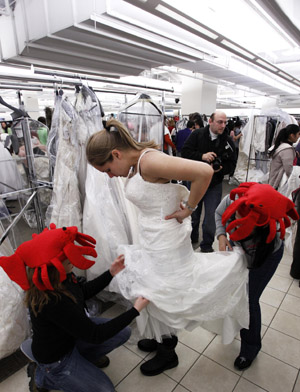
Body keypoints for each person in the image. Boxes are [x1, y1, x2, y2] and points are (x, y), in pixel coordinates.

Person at [86, 118, 250, 377]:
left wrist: (189, 209)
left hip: (166, 241)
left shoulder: (148, 161)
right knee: (154, 288)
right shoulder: (136, 164)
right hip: (153, 236)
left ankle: (168, 351)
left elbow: (204, 172)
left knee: (163, 291)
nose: (109, 176)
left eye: (107, 169)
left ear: (116, 154)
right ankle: (159, 338)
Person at [0, 224, 149, 392]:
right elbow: (96, 335)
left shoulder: (62, 278)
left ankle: (83, 358)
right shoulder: (53, 301)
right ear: (53, 267)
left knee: (123, 333)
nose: (73, 258)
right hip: (56, 359)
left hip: (70, 337)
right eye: (68, 258)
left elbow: (82, 292)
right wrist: (135, 310)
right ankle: (42, 376)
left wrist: (111, 273)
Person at [215, 182, 298, 370]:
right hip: (240, 250)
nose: (235, 221)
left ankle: (251, 347)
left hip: (265, 254)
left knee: (250, 299)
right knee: (235, 290)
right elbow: (219, 213)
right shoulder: (234, 199)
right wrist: (221, 235)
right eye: (235, 216)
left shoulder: (272, 225)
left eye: (242, 223)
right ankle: (234, 325)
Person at [182, 110, 236, 251]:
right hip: (194, 182)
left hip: (214, 183)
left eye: (225, 122)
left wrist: (220, 169)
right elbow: (185, 153)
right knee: (193, 213)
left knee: (212, 216)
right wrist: (202, 156)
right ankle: (190, 239)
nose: (223, 125)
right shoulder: (197, 135)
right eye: (219, 122)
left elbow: (232, 164)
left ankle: (206, 245)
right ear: (210, 121)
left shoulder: (228, 141)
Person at [268, 124, 300, 191]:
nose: (298, 137)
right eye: (298, 134)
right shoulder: (287, 149)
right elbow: (289, 170)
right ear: (292, 135)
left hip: (274, 179)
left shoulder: (281, 145)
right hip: (279, 183)